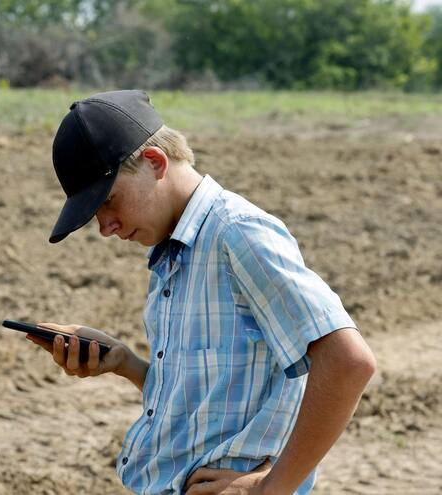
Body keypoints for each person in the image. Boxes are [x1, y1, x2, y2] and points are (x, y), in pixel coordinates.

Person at [26, 90, 375, 494]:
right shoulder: (172, 251)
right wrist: (124, 363)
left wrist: (272, 488)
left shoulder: (238, 234)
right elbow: (212, 395)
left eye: (108, 202)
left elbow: (348, 362)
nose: (106, 227)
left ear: (155, 163)